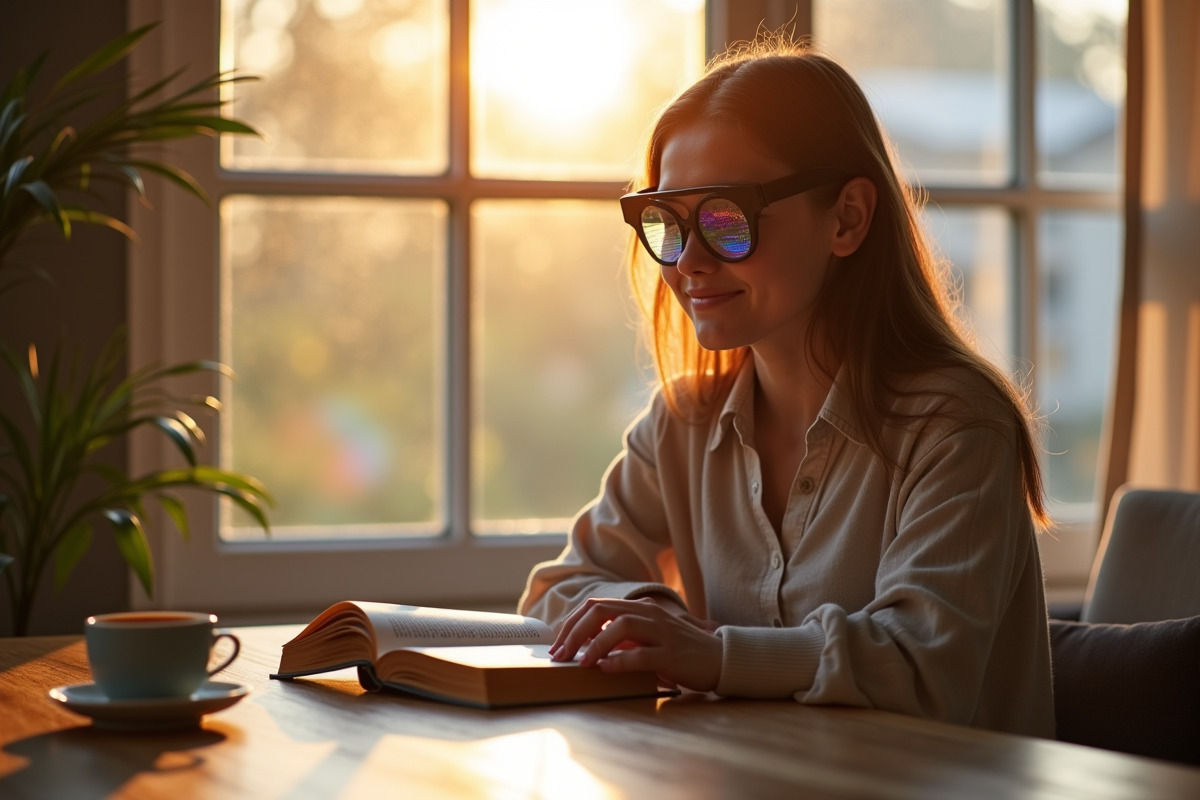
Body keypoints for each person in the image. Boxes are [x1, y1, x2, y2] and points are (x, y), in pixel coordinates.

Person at [518, 37, 1055, 738]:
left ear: (848, 218)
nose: (690, 264)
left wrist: (709, 654)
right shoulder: (681, 424)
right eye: (670, 223)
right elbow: (555, 592)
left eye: (724, 219)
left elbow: (924, 666)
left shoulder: (957, 426)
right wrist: (656, 621)